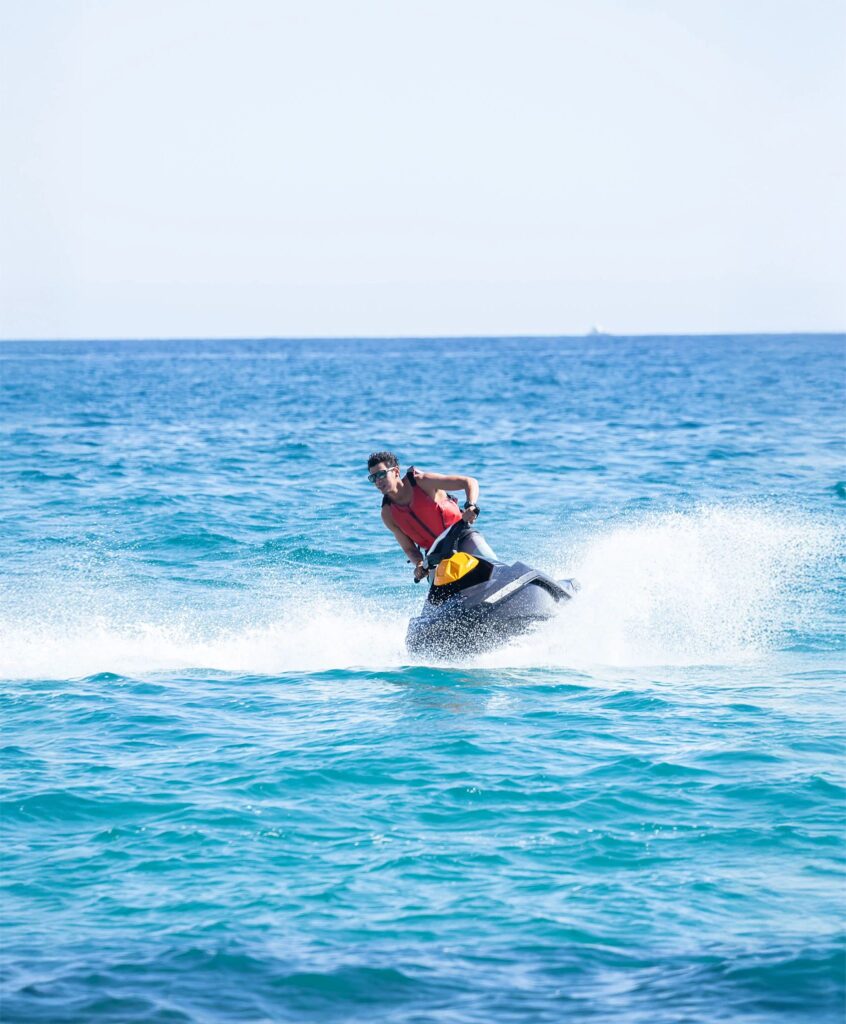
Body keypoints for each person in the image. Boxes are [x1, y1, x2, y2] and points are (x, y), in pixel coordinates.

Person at [367, 451, 480, 581]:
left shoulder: (423, 482)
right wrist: (419, 564)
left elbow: (469, 482)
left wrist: (470, 505)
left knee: (491, 564)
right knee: (437, 599)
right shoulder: (387, 514)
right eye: (373, 478)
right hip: (435, 556)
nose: (378, 481)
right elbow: (410, 549)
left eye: (381, 474)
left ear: (396, 472)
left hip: (462, 535)